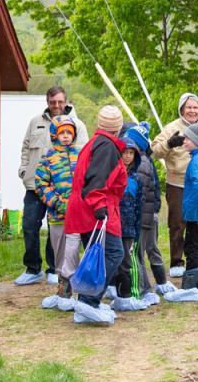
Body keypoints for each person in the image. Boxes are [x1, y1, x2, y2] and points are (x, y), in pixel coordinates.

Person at [16, 87, 89, 287]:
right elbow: (25, 147)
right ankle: (32, 268)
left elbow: (83, 157)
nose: (56, 105)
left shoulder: (78, 125)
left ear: (66, 101)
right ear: (47, 101)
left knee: (55, 228)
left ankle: (53, 269)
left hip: (62, 190)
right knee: (29, 225)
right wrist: (24, 170)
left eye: (60, 102)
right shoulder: (35, 122)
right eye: (52, 102)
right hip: (36, 184)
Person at [64, 105, 129, 326]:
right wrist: (100, 205)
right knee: (112, 253)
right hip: (93, 209)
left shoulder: (96, 143)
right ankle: (87, 302)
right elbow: (96, 180)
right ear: (118, 128)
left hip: (85, 208)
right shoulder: (107, 147)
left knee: (98, 256)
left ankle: (89, 300)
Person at [152, 93, 198, 277]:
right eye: (189, 107)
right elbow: (155, 151)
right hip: (178, 183)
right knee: (177, 223)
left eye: (196, 107)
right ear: (182, 109)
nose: (192, 110)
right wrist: (170, 143)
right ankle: (177, 261)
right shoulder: (171, 127)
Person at [164, 121, 198, 302]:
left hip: (197, 213)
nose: (184, 140)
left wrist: (191, 207)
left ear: (196, 140)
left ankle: (189, 288)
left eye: (187, 138)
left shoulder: (197, 161)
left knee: (192, 248)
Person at [123, 122, 172, 303]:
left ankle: (144, 290)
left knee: (137, 254)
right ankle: (151, 286)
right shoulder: (145, 158)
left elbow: (138, 194)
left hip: (141, 217)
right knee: (143, 251)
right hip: (146, 215)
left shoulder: (140, 163)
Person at [37, 116, 80, 310]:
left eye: (69, 133)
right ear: (55, 134)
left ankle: (79, 291)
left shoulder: (80, 155)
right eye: (61, 133)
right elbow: (41, 183)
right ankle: (63, 292)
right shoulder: (49, 157)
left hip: (79, 214)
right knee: (61, 254)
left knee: (74, 254)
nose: (65, 137)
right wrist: (57, 203)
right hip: (58, 216)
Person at [109, 135, 148, 312]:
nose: (127, 156)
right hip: (113, 225)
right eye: (124, 152)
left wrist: (137, 228)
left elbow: (139, 205)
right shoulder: (110, 175)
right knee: (115, 260)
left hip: (129, 227)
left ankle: (129, 294)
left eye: (131, 153)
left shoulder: (136, 180)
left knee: (127, 261)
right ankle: (119, 295)